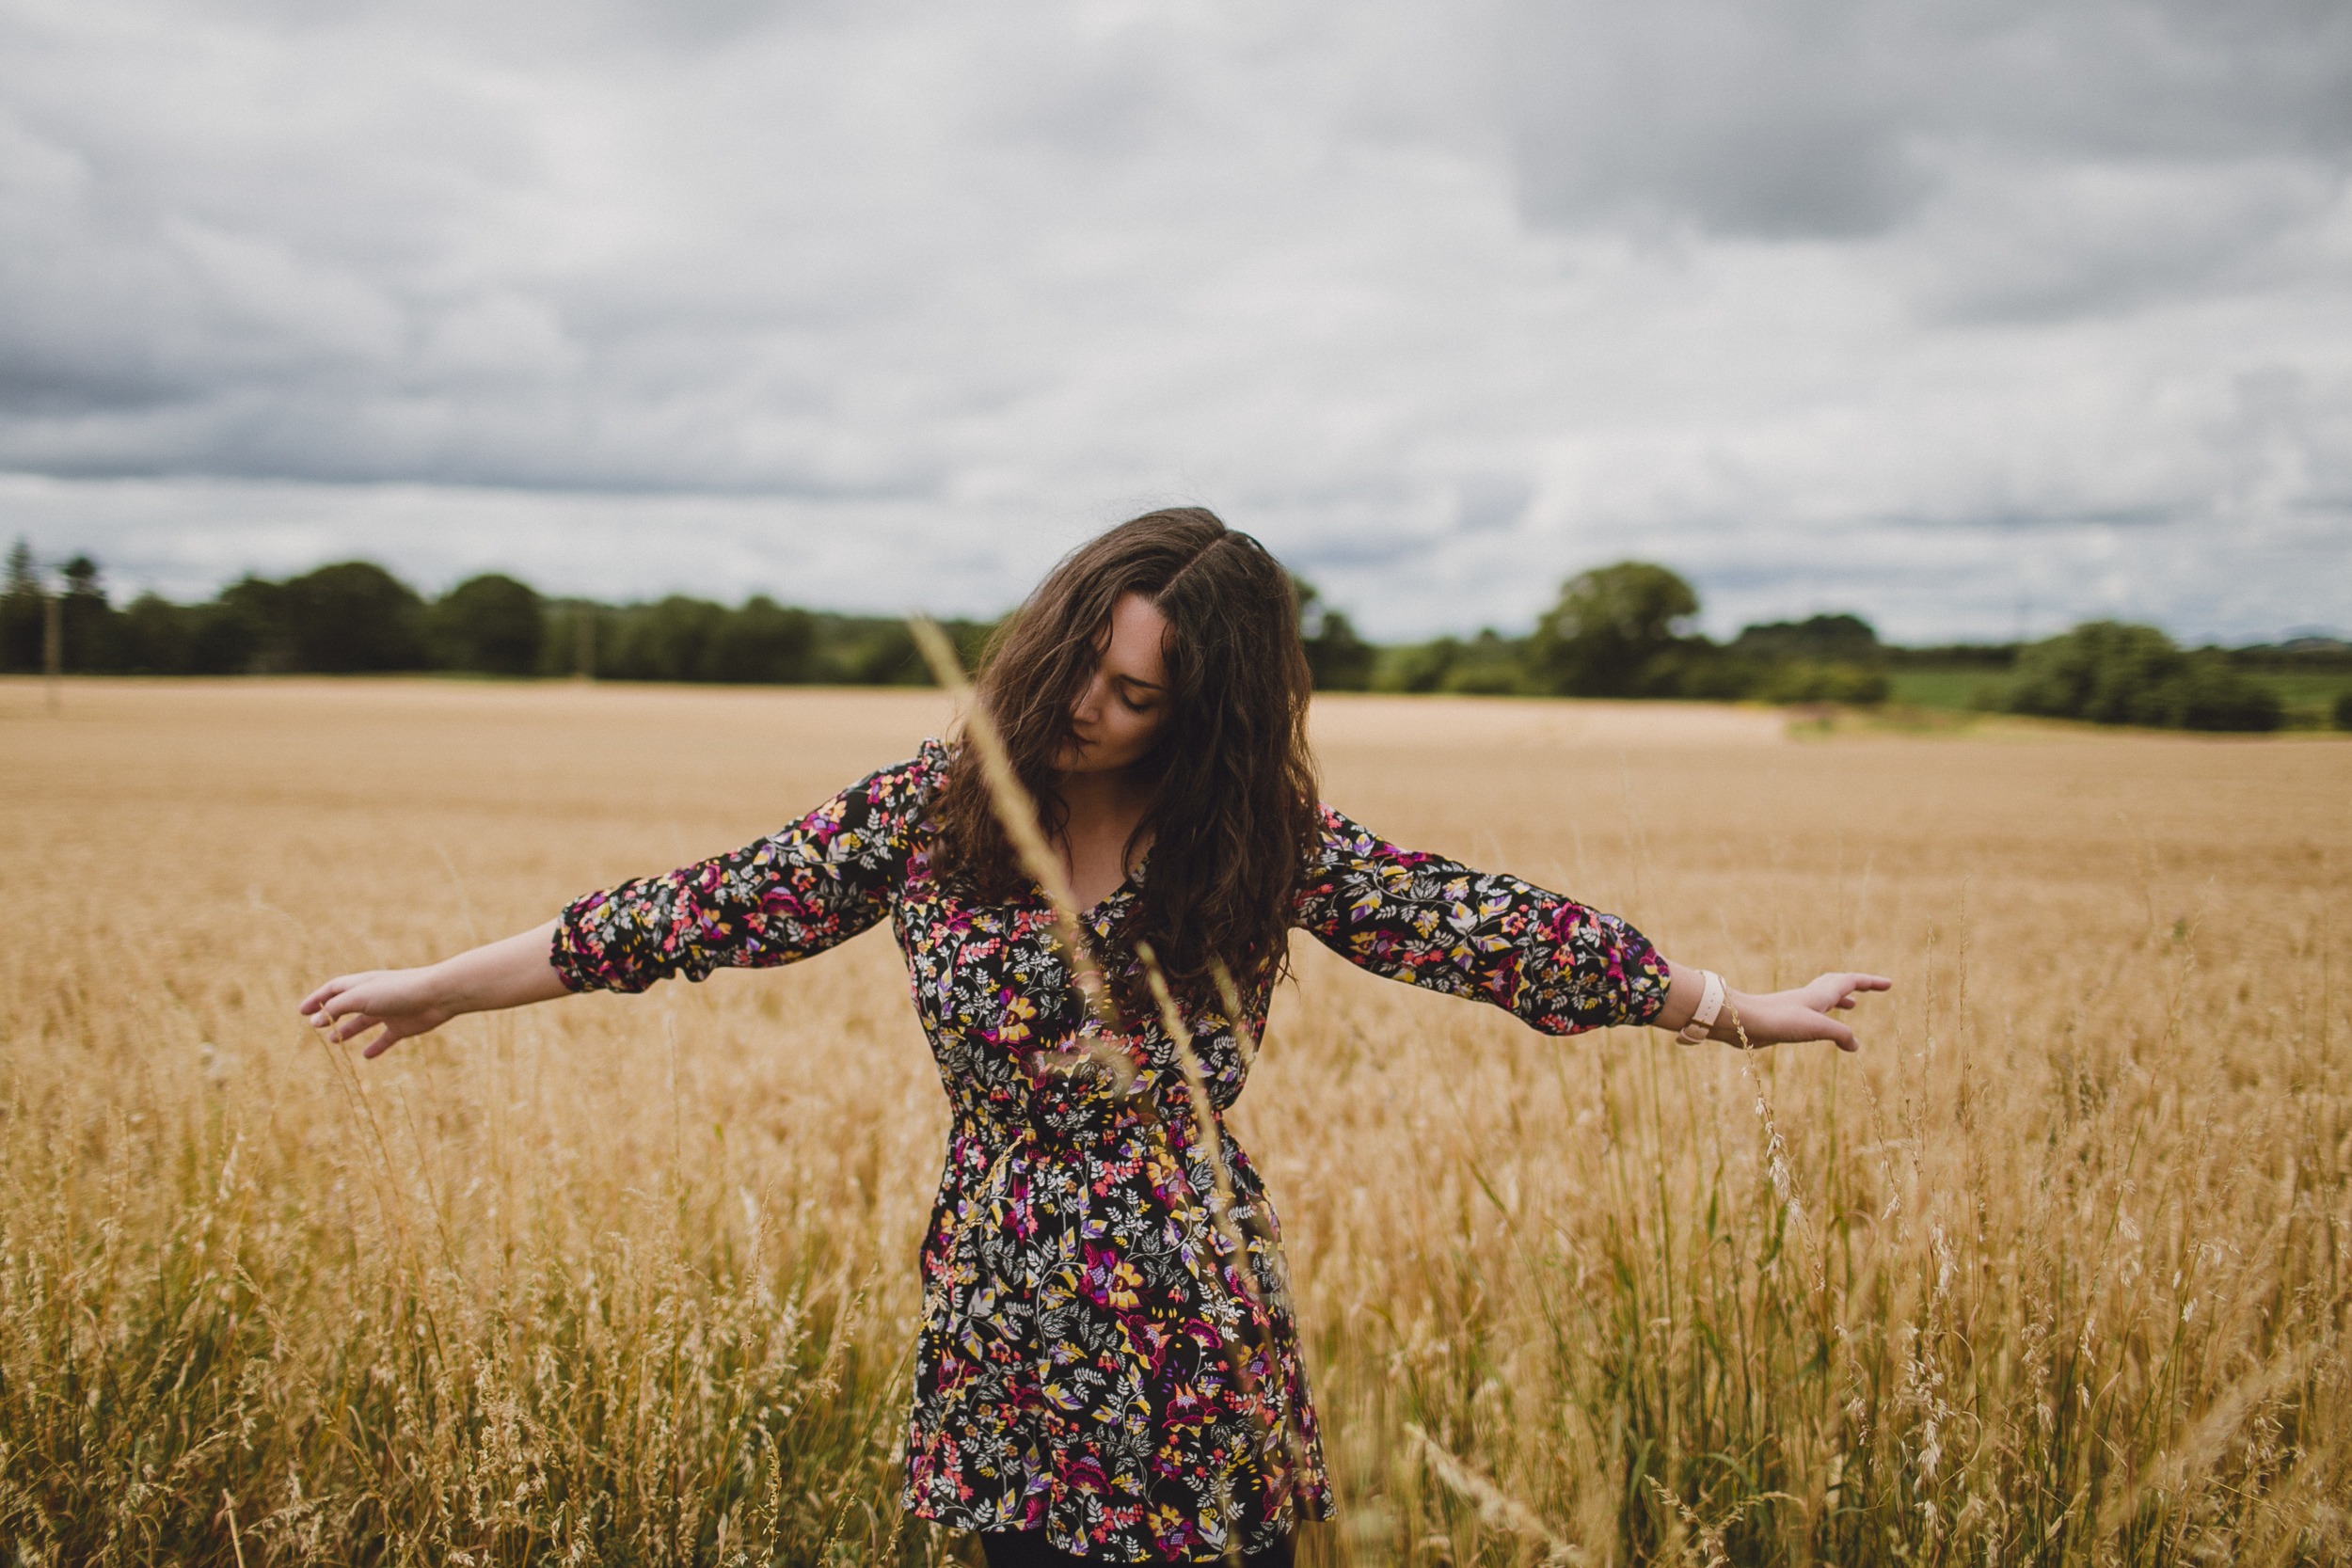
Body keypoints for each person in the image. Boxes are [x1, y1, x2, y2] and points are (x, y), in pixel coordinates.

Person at [301, 509, 1890, 1566]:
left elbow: (1482, 927)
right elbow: (691, 913)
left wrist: (1730, 1013)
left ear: (1202, 713)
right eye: (1085, 667)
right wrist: (435, 988)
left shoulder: (1257, 837)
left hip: (1192, 1298)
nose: (1091, 711)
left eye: (1140, 698)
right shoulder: (934, 814)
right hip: (1001, 1292)